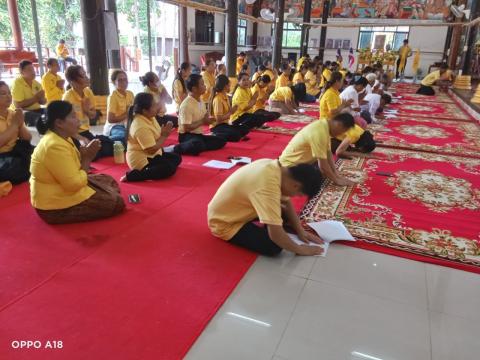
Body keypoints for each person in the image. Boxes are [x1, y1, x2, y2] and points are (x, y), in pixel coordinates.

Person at [31, 101, 125, 224]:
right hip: (53, 206)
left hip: (65, 187)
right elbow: (73, 185)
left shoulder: (64, 137)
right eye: (73, 116)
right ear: (59, 123)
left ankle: (104, 192)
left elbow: (74, 169)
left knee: (107, 179)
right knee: (115, 203)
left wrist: (85, 156)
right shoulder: (53, 146)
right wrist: (87, 159)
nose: (78, 120)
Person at [207, 159, 324, 256]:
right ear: (296, 185)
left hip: (239, 208)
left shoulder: (276, 168)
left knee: (285, 213)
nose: (295, 197)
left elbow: (287, 203)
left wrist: (300, 230)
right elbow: (277, 236)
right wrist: (301, 250)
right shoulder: (267, 187)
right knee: (275, 246)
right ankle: (269, 223)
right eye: (298, 194)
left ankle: (270, 222)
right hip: (225, 222)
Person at [279, 112, 356, 186]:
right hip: (290, 165)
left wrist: (335, 173)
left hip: (303, 162)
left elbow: (328, 152)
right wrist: (337, 180)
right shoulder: (319, 132)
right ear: (339, 125)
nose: (341, 134)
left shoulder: (325, 125)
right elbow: (323, 166)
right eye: (343, 131)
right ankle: (286, 177)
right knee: (317, 177)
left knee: (326, 171)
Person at [123, 93, 182, 182]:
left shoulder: (150, 117)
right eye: (154, 105)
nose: (157, 107)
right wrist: (164, 136)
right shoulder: (140, 126)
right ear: (144, 111)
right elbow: (150, 150)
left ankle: (156, 169)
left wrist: (162, 134)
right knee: (169, 168)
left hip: (153, 155)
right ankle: (135, 175)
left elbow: (155, 139)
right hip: (142, 160)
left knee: (177, 158)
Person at [63, 65, 113, 159]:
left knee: (108, 148)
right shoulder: (67, 98)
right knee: (90, 154)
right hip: (72, 134)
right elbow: (65, 128)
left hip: (86, 132)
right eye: (83, 76)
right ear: (73, 82)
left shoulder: (88, 92)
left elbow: (93, 116)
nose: (87, 78)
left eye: (86, 74)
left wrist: (86, 110)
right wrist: (80, 138)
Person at [175, 74, 226, 155]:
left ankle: (200, 146)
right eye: (202, 84)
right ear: (194, 89)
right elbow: (186, 128)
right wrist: (203, 121)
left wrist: (210, 120)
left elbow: (205, 117)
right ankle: (178, 148)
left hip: (198, 135)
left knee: (221, 139)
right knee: (197, 144)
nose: (205, 86)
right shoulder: (186, 105)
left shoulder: (200, 100)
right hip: (186, 136)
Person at [0, 81, 33, 185]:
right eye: (3, 93)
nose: (8, 96)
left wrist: (19, 123)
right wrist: (14, 125)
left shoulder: (13, 113)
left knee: (41, 155)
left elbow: (27, 138)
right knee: (12, 169)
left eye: (9, 93)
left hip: (15, 151)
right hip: (2, 156)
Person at [209, 75, 249, 142]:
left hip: (225, 124)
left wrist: (232, 110)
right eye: (229, 85)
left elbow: (228, 112)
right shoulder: (218, 99)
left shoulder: (225, 96)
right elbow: (218, 119)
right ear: (225, 86)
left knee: (245, 128)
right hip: (217, 126)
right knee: (236, 135)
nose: (230, 87)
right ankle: (216, 134)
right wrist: (231, 112)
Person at [11, 60, 46, 127]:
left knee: (53, 113)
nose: (33, 72)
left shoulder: (37, 84)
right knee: (40, 118)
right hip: (23, 113)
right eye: (29, 70)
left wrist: (42, 99)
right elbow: (18, 106)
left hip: (37, 110)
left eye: (33, 69)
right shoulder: (17, 83)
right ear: (22, 72)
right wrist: (36, 97)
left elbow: (43, 102)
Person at [103, 70, 134, 145]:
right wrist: (127, 113)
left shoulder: (130, 94)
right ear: (114, 82)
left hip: (128, 124)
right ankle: (104, 140)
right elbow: (111, 119)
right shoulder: (112, 97)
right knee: (124, 138)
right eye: (120, 80)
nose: (124, 82)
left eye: (125, 79)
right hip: (115, 126)